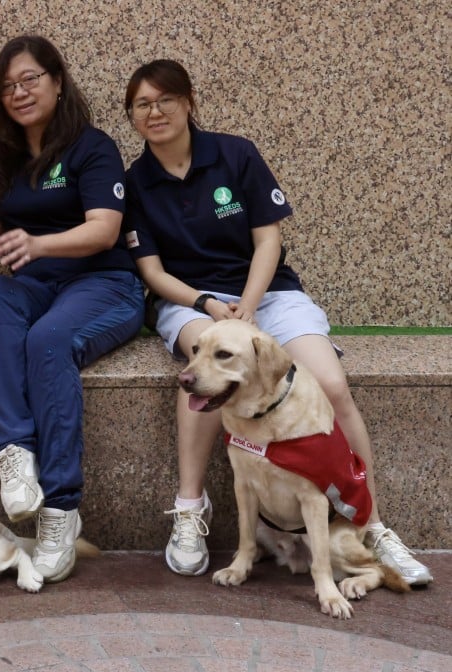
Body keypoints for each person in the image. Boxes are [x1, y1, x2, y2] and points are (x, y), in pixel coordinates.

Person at [121, 58, 432, 585]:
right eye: (142, 105)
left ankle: (371, 525)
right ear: (132, 116)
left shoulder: (236, 154)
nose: (155, 112)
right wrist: (207, 306)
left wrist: (248, 302)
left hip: (268, 294)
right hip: (194, 303)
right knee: (202, 379)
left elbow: (269, 239)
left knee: (331, 384)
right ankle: (191, 509)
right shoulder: (136, 182)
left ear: (189, 101)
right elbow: (151, 271)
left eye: (165, 100)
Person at [0, 36, 144, 583]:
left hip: (104, 284)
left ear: (59, 82)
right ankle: (13, 451)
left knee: (48, 340)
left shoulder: (93, 146)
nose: (19, 92)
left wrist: (37, 244)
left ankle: (60, 508)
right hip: (35, 285)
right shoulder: (6, 155)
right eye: (8, 86)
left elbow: (104, 230)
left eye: (31, 79)